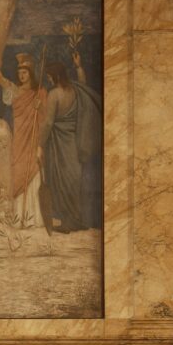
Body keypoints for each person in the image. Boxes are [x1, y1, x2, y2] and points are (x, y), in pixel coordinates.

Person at [38, 60, 102, 232]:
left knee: (61, 180)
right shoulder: (75, 90)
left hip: (59, 144)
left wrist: (39, 145)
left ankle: (68, 222)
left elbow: (49, 122)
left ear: (56, 76)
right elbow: (84, 85)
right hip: (74, 143)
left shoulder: (54, 94)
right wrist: (79, 66)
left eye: (50, 77)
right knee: (74, 179)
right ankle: (76, 219)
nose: (49, 80)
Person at [0, 50, 47, 227]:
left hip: (34, 138)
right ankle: (19, 217)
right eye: (19, 73)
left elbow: (46, 119)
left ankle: (33, 218)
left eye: (25, 72)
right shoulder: (14, 91)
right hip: (19, 138)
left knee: (34, 170)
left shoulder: (40, 92)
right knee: (18, 171)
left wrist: (40, 106)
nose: (21, 75)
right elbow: (0, 79)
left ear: (31, 74)